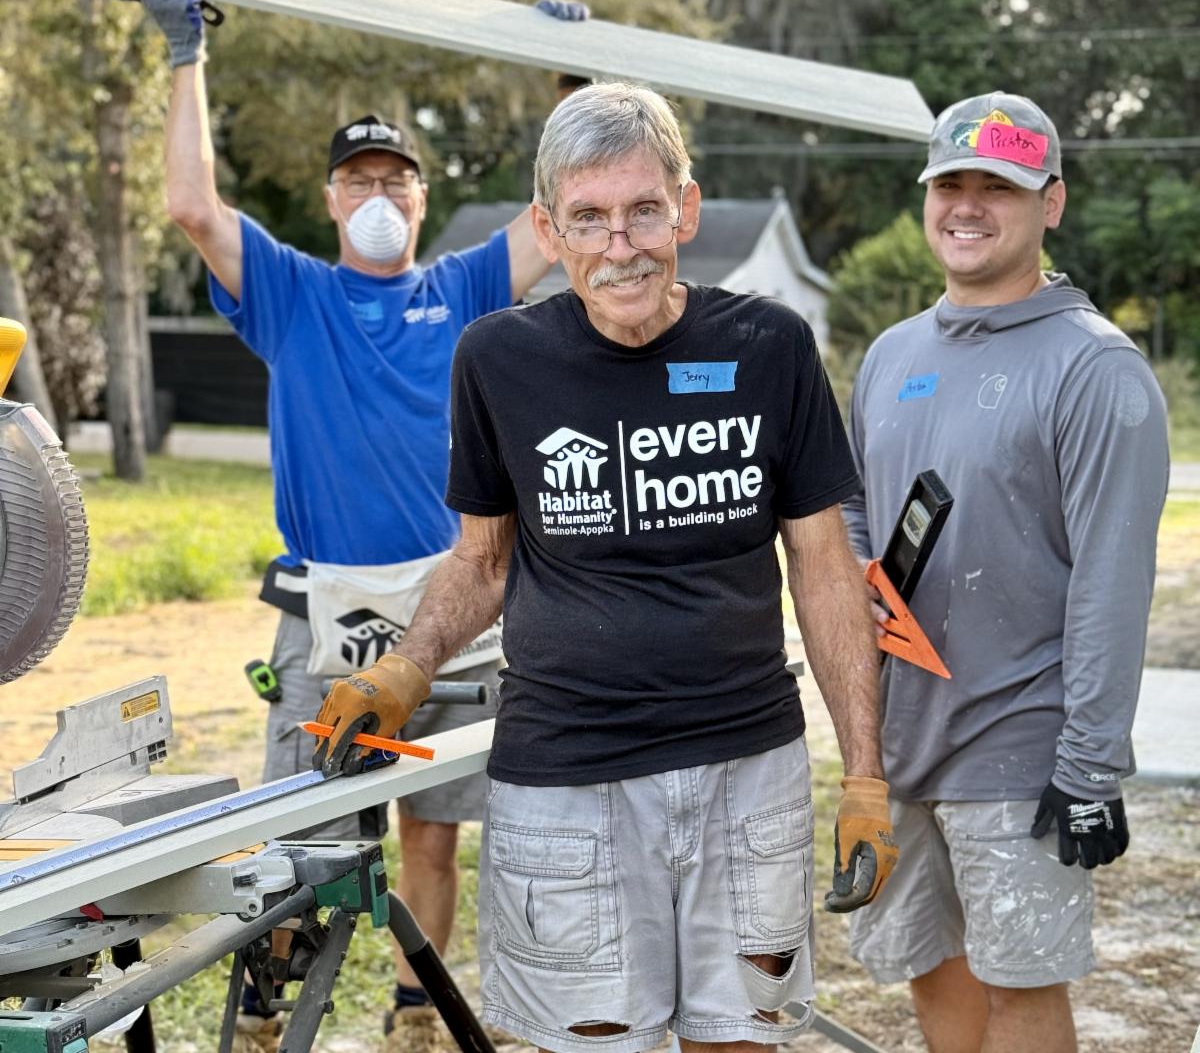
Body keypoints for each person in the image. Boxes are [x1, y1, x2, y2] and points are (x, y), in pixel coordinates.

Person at [313, 81, 899, 1051]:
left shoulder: (771, 348)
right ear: (548, 229)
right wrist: (405, 668)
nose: (619, 244)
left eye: (643, 211)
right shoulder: (497, 359)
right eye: (587, 217)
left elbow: (825, 568)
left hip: (747, 768)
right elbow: (482, 561)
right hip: (567, 780)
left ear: (686, 210)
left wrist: (865, 779)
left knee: (739, 1042)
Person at [136, 0, 587, 1053]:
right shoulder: (292, 293)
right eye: (358, 181)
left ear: (422, 199)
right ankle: (266, 1013)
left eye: (396, 180)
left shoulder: (463, 289)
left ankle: (416, 1012)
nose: (378, 197)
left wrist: (572, 82)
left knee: (432, 834)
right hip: (326, 614)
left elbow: (564, 218)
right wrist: (187, 53)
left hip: (448, 613)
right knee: (301, 836)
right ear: (331, 198)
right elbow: (192, 206)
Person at [841, 91, 1169, 1053]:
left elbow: (1113, 583)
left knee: (1020, 986)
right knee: (931, 966)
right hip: (900, 738)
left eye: (1000, 187)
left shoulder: (1095, 369)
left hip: (1022, 747)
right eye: (951, 184)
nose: (968, 207)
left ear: (1050, 203)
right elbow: (855, 503)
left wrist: (1091, 767)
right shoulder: (891, 354)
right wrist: (856, 567)